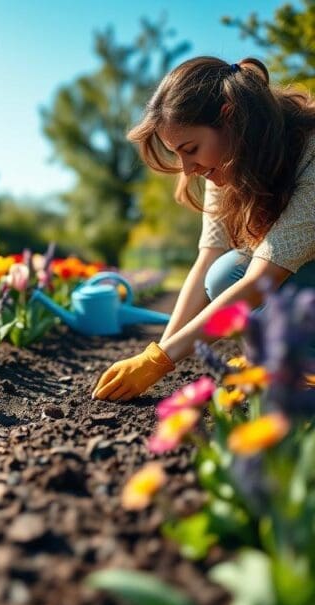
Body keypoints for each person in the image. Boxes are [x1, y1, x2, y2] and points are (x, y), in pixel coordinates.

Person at [92, 56, 315, 402]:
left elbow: (259, 283)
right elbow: (207, 260)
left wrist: (160, 362)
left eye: (190, 149)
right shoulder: (228, 160)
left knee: (238, 276)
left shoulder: (310, 154)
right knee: (223, 272)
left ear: (231, 118)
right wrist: (159, 352)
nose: (187, 167)